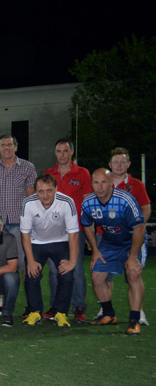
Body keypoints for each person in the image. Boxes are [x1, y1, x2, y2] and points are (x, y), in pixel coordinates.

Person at [81, 169, 147, 335]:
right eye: (96, 182)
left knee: (133, 273)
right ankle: (109, 314)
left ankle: (134, 320)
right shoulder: (88, 202)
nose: (100, 186)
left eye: (104, 182)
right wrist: (95, 250)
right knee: (96, 275)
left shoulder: (125, 200)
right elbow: (87, 225)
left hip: (132, 241)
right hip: (110, 242)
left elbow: (139, 228)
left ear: (111, 183)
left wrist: (132, 257)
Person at [42, 138, 92, 323]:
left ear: (72, 152)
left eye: (65, 151)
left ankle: (79, 307)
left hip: (74, 231)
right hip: (53, 232)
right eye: (58, 151)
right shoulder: (48, 174)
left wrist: (86, 232)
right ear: (55, 153)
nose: (62, 154)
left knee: (76, 270)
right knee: (55, 271)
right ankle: (56, 307)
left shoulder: (83, 173)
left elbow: (87, 203)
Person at [20, 175, 79, 328]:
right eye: (41, 191)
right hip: (36, 242)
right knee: (31, 274)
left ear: (56, 189)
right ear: (35, 191)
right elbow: (25, 234)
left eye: (49, 191)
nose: (45, 195)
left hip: (61, 241)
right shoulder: (28, 203)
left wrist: (72, 262)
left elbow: (73, 234)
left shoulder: (67, 202)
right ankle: (35, 311)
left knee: (67, 276)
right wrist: (31, 260)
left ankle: (60, 313)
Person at [0, 134, 37, 275]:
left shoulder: (28, 167)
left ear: (15, 147)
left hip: (20, 223)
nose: (6, 147)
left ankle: (29, 294)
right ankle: (0, 296)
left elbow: (31, 197)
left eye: (9, 144)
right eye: (3, 145)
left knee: (23, 262)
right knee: (1, 263)